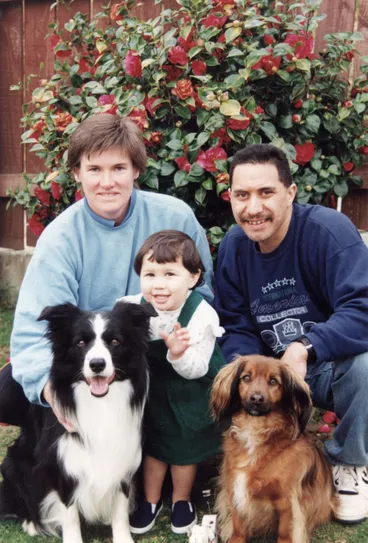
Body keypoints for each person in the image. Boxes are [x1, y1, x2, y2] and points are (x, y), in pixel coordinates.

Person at [1, 113, 214, 433]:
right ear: (76, 173)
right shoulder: (61, 239)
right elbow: (34, 331)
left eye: (118, 168)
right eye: (94, 169)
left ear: (136, 170)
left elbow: (203, 297)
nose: (107, 182)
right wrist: (52, 392)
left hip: (160, 357)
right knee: (8, 392)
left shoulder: (175, 218)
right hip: (89, 359)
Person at [214, 143, 368, 525]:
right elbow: (234, 325)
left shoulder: (327, 232)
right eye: (242, 195)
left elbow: (363, 308)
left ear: (290, 193)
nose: (253, 208)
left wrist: (306, 348)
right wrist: (252, 373)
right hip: (273, 377)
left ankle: (350, 463)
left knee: (367, 367)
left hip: (331, 365)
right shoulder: (233, 247)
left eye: (266, 193)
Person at [120, 230, 225, 535]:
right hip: (154, 394)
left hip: (190, 393)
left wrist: (178, 354)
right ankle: (150, 501)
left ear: (193, 278)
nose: (159, 284)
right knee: (154, 447)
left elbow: (197, 368)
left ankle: (181, 499)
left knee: (184, 451)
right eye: (150, 273)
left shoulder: (202, 316)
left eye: (170, 273)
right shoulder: (129, 307)